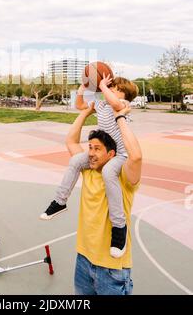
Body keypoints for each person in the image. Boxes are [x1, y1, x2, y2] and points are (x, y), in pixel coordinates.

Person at [40, 75, 138, 258]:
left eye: (115, 88)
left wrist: (101, 85)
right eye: (111, 87)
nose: (110, 89)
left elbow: (115, 103)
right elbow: (80, 106)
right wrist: (82, 89)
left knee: (109, 172)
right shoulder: (102, 105)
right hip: (103, 153)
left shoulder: (122, 104)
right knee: (75, 161)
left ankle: (119, 226)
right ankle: (60, 202)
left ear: (124, 94)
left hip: (119, 155)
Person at [70, 104, 141, 295]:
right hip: (83, 259)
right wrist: (86, 112)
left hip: (111, 269)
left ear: (111, 154)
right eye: (90, 148)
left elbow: (135, 156)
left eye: (97, 149)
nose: (91, 153)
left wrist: (120, 117)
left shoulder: (122, 179)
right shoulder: (88, 171)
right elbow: (70, 140)